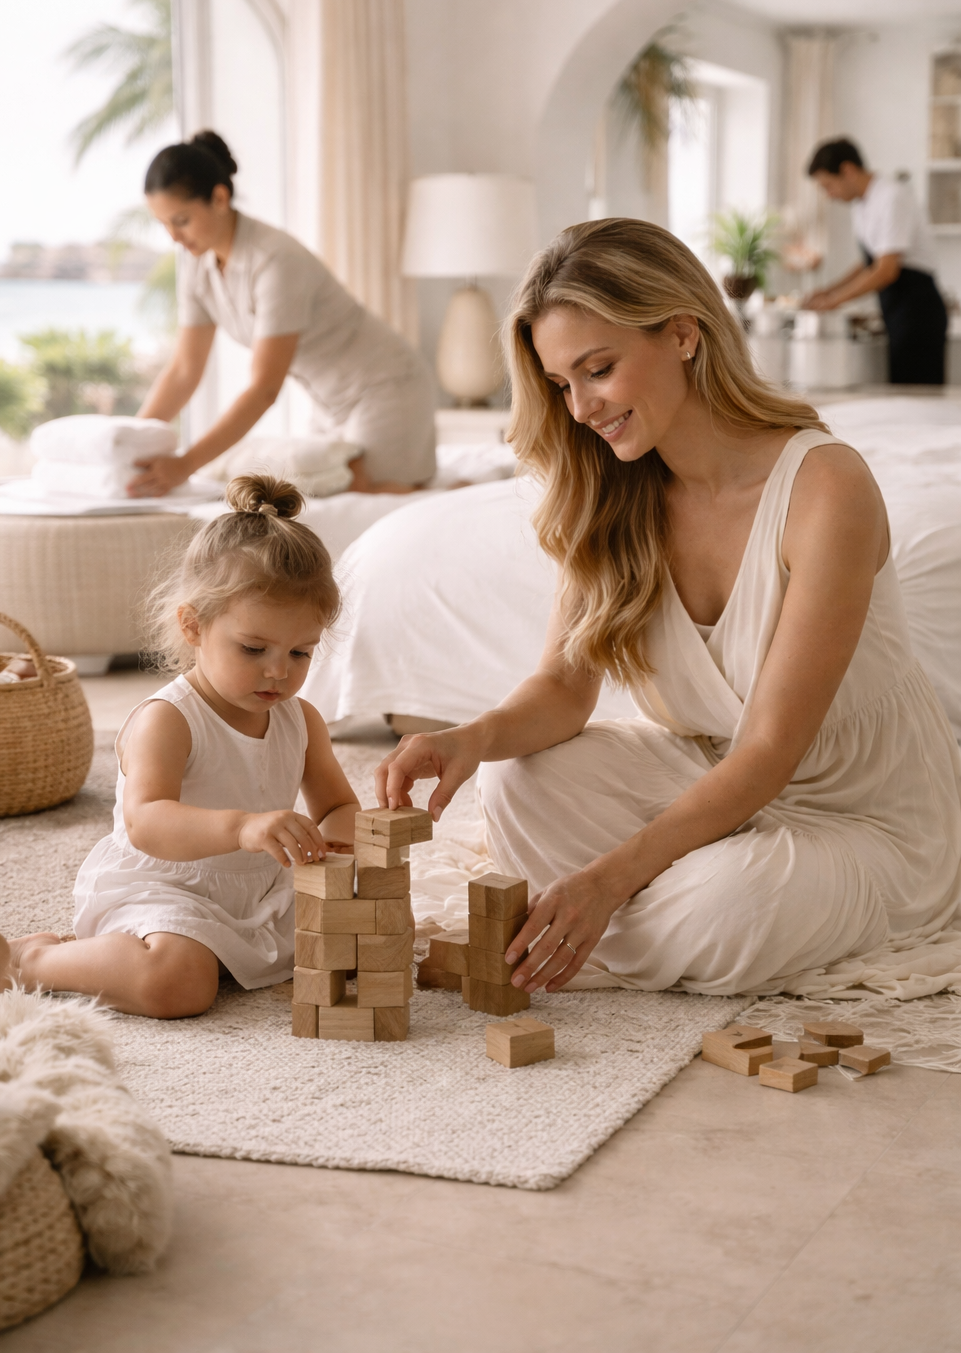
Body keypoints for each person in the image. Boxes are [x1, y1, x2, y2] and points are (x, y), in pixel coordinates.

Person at [377, 219, 961, 997]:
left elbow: (769, 753)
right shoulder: (609, 488)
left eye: (599, 369)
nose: (580, 408)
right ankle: (658, 916)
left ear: (684, 334)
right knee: (514, 781)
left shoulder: (825, 488)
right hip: (710, 776)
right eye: (561, 385)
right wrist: (465, 738)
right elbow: (562, 689)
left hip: (862, 819)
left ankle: (622, 927)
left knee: (733, 905)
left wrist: (608, 880)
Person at [6, 475, 361, 1018]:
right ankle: (33, 960)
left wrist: (333, 855)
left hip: (261, 888)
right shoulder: (168, 720)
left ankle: (228, 947)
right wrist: (242, 826)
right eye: (253, 648)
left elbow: (338, 806)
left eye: (300, 653)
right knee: (177, 985)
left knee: (362, 933)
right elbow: (147, 822)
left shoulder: (301, 720)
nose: (278, 670)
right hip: (167, 887)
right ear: (194, 626)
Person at [130, 131, 437, 497]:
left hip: (387, 387)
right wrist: (128, 443)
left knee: (369, 495)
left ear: (219, 197)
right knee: (332, 488)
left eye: (180, 220)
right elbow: (184, 370)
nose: (173, 238)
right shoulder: (198, 267)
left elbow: (264, 388)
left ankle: (459, 493)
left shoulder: (276, 260)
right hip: (328, 402)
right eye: (163, 224)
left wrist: (185, 464)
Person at [803, 137, 948, 385]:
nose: (829, 195)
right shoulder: (862, 205)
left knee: (917, 401)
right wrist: (827, 290)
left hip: (917, 311)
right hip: (897, 310)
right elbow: (869, 262)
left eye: (829, 185)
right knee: (901, 395)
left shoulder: (891, 196)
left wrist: (834, 301)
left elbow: (886, 271)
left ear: (848, 170)